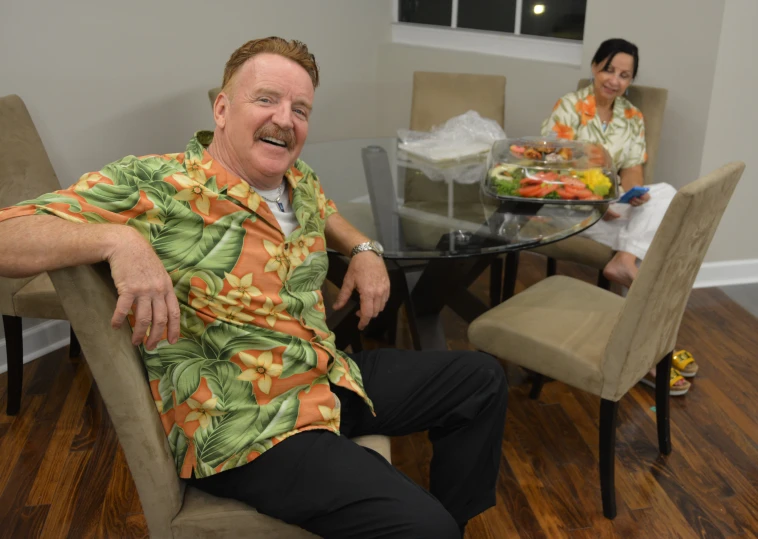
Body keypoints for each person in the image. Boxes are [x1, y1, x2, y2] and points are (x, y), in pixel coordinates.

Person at [0, 37, 507, 538]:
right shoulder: (156, 185)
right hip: (251, 427)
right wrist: (118, 239)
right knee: (425, 528)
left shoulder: (298, 178)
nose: (285, 119)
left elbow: (325, 213)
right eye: (266, 99)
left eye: (301, 109)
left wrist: (363, 248)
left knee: (481, 379)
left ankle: (454, 519)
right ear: (222, 108)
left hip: (323, 375)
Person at [541, 38, 698, 395]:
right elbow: (550, 169)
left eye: (624, 75)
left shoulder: (632, 116)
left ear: (630, 81)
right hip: (572, 209)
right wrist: (598, 203)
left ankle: (625, 261)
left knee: (666, 194)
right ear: (595, 67)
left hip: (614, 210)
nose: (614, 80)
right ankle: (650, 352)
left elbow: (632, 172)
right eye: (609, 69)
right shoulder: (569, 107)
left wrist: (632, 196)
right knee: (660, 245)